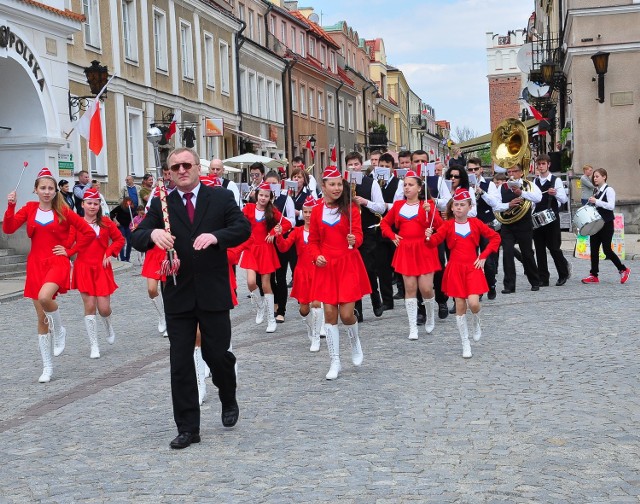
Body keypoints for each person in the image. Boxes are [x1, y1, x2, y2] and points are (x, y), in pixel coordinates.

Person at [131, 147, 250, 450]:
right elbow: (136, 235)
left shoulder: (220, 197)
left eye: (187, 165)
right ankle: (188, 427)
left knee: (217, 354)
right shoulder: (162, 203)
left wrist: (217, 237)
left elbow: (242, 228)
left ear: (198, 167)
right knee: (180, 362)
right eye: (175, 167)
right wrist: (153, 234)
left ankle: (227, 393)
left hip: (213, 290)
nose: (181, 170)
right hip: (179, 293)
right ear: (168, 173)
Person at [3, 167, 94, 382]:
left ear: (55, 191)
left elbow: (88, 232)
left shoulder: (64, 211)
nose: (46, 191)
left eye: (50, 188)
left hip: (57, 262)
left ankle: (60, 328)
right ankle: (47, 367)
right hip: (35, 264)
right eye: (42, 188)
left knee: (45, 298)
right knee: (42, 318)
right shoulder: (30, 209)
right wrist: (10, 205)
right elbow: (8, 228)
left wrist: (70, 250)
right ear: (35, 190)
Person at [308, 167, 371, 380]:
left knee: (346, 315)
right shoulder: (316, 211)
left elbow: (360, 235)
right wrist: (316, 256)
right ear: (323, 186)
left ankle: (354, 341)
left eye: (339, 184)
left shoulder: (351, 208)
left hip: (347, 263)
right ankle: (335, 361)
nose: (336, 188)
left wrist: (356, 240)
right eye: (331, 184)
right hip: (326, 266)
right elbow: (313, 241)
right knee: (330, 315)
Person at [426, 188, 500, 358]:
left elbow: (495, 238)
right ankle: (465, 343)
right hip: (455, 269)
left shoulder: (475, 223)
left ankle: (476, 320)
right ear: (452, 208)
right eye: (456, 205)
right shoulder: (447, 225)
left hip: (472, 267)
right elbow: (433, 243)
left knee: (474, 303)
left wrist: (483, 256)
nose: (459, 208)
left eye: (462, 205)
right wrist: (428, 236)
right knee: (460, 305)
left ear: (469, 207)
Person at [380, 170, 442, 339]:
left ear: (420, 188)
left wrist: (432, 219)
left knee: (426, 288)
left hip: (425, 248)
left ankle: (429, 316)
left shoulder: (427, 204)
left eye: (411, 185)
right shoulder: (398, 205)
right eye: (405, 185)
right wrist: (392, 236)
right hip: (406, 248)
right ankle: (412, 326)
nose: (407, 188)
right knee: (410, 288)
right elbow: (384, 224)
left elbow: (441, 226)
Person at [67, 188, 125, 359]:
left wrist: (109, 252)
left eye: (95, 203)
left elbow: (119, 240)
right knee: (90, 306)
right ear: (83, 204)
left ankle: (107, 324)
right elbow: (69, 244)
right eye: (89, 203)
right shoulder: (76, 224)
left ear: (99, 205)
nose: (92, 206)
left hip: (101, 268)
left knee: (104, 308)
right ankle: (94, 345)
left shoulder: (106, 222)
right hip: (83, 268)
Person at [239, 181, 292, 333]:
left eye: (266, 196)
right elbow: (239, 223)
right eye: (261, 195)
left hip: (266, 250)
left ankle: (270, 319)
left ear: (270, 197)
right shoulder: (248, 208)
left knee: (266, 284)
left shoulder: (272, 212)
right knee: (250, 282)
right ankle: (259, 307)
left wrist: (274, 233)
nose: (263, 198)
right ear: (256, 195)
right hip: (251, 249)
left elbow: (287, 224)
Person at [276, 195, 324, 352]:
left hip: (318, 272)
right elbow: (283, 247)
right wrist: (278, 235)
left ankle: (316, 337)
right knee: (304, 309)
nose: (309, 215)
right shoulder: (297, 231)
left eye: (311, 211)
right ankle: (311, 328)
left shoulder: (322, 230)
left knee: (317, 304)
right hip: (302, 273)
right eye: (306, 212)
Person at [346, 151, 388, 321]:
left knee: (368, 269)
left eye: (356, 164)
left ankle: (375, 298)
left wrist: (365, 202)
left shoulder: (371, 183)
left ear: (361, 166)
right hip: (349, 233)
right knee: (353, 271)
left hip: (368, 230)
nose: (353, 167)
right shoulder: (342, 184)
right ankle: (357, 309)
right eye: (350, 164)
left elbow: (381, 207)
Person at [494, 163, 541, 293]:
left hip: (524, 223)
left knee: (527, 253)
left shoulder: (528, 185)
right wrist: (508, 204)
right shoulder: (502, 187)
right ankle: (509, 285)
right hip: (507, 224)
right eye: (509, 172)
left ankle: (535, 281)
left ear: (521, 173)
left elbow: (538, 198)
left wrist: (522, 193)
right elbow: (496, 205)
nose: (512, 174)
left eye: (514, 171)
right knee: (507, 254)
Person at [581, 168, 631, 285]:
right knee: (593, 249)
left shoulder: (609, 190)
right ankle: (594, 275)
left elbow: (611, 206)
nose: (595, 178)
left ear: (604, 177)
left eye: (597, 176)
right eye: (594, 177)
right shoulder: (597, 191)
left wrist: (596, 201)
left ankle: (623, 269)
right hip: (596, 224)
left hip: (606, 224)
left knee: (607, 250)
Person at [532, 154, 571, 287]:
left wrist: (556, 193)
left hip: (551, 218)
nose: (541, 166)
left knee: (554, 248)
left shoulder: (556, 180)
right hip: (537, 218)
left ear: (548, 165)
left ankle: (563, 273)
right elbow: (532, 201)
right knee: (539, 249)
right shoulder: (535, 182)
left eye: (543, 164)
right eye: (539, 164)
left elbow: (564, 200)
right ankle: (544, 278)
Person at [468, 158, 500, 299]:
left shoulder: (489, 184)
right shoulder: (465, 185)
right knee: (473, 260)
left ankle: (491, 285)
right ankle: (478, 289)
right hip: (471, 227)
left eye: (476, 169)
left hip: (486, 225)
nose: (473, 172)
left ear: (481, 169)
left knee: (488, 261)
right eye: (470, 169)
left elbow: (494, 203)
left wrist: (482, 192)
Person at [267, 170, 295, 323]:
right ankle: (275, 302)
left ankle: (281, 310)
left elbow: (292, 220)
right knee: (268, 277)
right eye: (269, 183)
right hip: (266, 244)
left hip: (281, 241)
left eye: (274, 183)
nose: (271, 187)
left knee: (281, 276)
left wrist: (280, 230)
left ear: (279, 183)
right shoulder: (262, 199)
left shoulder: (286, 199)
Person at [110, 197, 134, 262]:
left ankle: (127, 258)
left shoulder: (131, 209)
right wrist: (115, 221)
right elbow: (111, 213)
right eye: (127, 202)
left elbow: (134, 216)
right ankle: (122, 258)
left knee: (130, 242)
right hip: (121, 226)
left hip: (128, 226)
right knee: (122, 241)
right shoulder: (120, 208)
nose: (128, 203)